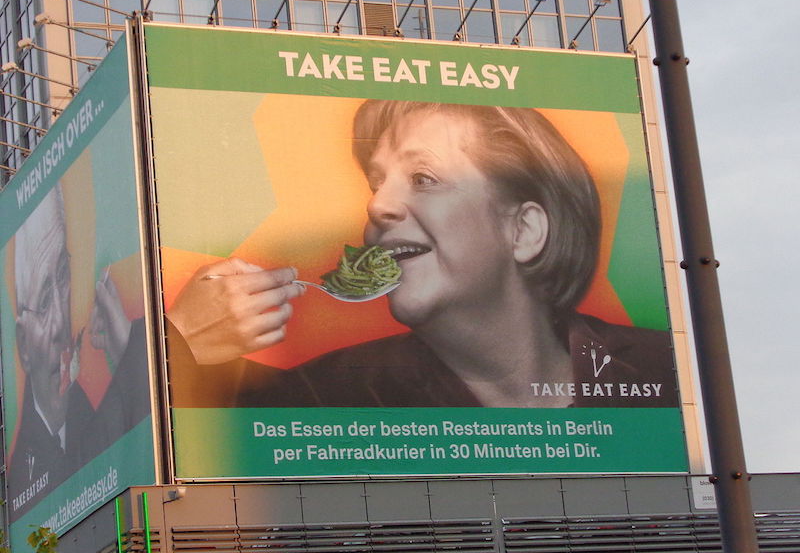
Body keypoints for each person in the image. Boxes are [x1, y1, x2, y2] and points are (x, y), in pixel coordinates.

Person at [168, 101, 678, 409]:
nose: (377, 204)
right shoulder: (319, 398)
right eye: (375, 181)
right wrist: (179, 344)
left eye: (423, 179)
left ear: (523, 230)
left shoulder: (667, 374)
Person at [7, 184, 149, 520]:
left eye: (63, 276)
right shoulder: (23, 480)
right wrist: (131, 349)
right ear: (24, 344)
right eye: (43, 302)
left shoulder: (83, 407)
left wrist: (125, 345)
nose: (61, 321)